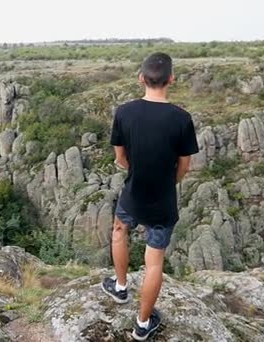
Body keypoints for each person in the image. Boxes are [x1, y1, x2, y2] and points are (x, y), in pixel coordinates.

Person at [101, 52, 199, 341]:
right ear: (171, 79)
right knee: (154, 261)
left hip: (133, 192)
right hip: (163, 200)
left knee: (120, 230)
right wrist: (166, 181)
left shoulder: (124, 112)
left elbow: (120, 158)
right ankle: (143, 325)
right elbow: (184, 166)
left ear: (141, 78)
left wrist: (140, 170)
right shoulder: (182, 119)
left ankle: (120, 287)